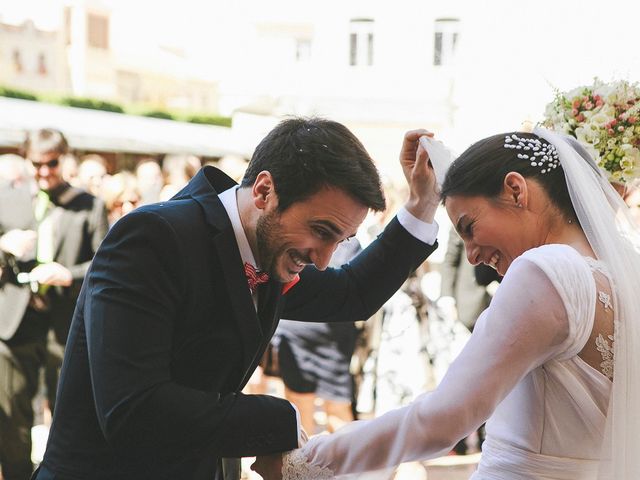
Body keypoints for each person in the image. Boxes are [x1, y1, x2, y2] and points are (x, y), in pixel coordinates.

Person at [33, 118, 441, 480]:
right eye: (321, 230)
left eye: (341, 240)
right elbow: (133, 410)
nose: (323, 258)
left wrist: (422, 204)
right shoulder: (153, 239)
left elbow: (352, 292)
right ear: (264, 191)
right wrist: (278, 418)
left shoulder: (266, 247)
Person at [257, 128, 640, 479]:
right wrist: (422, 202)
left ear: (516, 190)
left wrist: (308, 462)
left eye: (469, 227)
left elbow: (443, 418)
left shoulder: (546, 270)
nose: (471, 256)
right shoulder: (621, 275)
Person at [0, 129, 108, 480]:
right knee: (13, 417)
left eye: (52, 164)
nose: (44, 172)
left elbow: (105, 263)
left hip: (67, 325)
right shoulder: (9, 199)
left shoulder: (89, 205)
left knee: (67, 414)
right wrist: (5, 245)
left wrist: (69, 275)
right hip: (15, 322)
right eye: (36, 164)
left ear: (65, 159)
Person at [274, 238, 364, 435]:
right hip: (294, 334)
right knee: (299, 403)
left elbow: (353, 288)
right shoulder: (298, 235)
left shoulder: (348, 242)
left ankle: (345, 463)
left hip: (333, 342)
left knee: (337, 407)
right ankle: (307, 462)